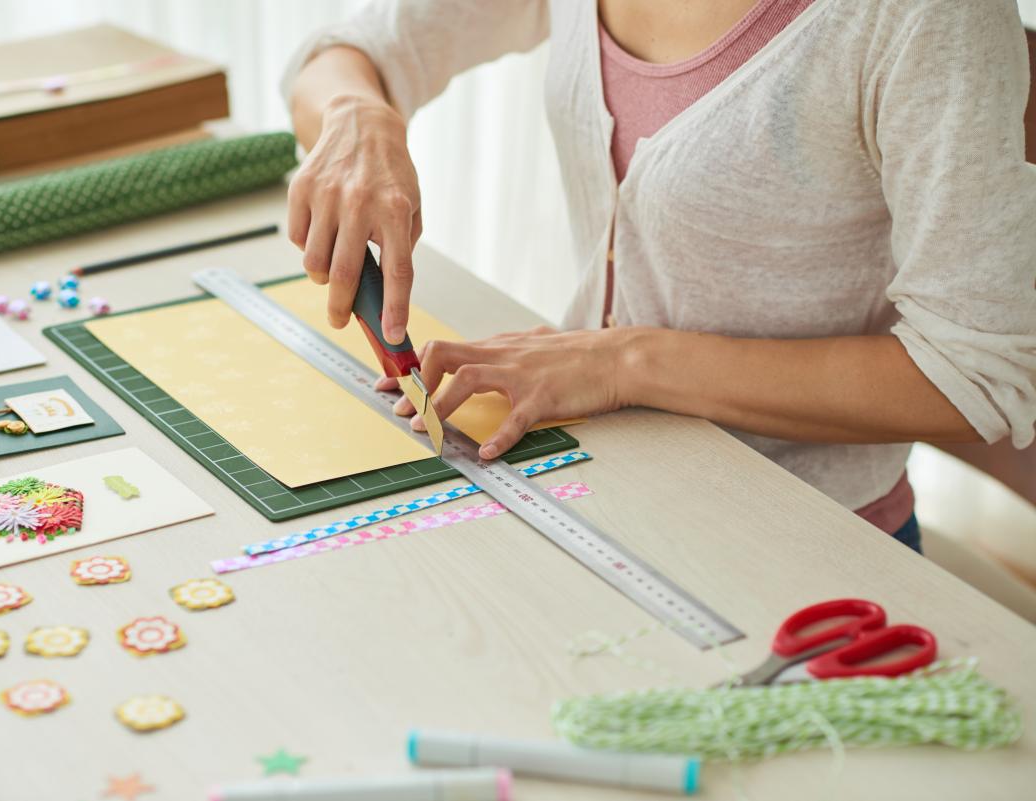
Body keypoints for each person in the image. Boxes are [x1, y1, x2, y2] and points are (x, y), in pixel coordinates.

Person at [281, 0, 1036, 553]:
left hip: (809, 544)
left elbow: (980, 378)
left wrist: (623, 361)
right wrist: (356, 114)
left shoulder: (928, 18)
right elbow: (346, 52)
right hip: (589, 493)